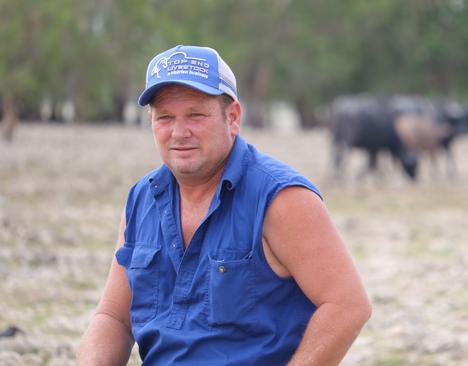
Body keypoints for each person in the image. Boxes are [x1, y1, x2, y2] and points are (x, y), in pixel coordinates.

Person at [77, 45, 372, 365]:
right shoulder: (142, 199)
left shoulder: (281, 199)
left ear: (232, 117)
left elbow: (346, 306)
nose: (179, 132)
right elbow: (114, 318)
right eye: (165, 117)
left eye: (196, 115)